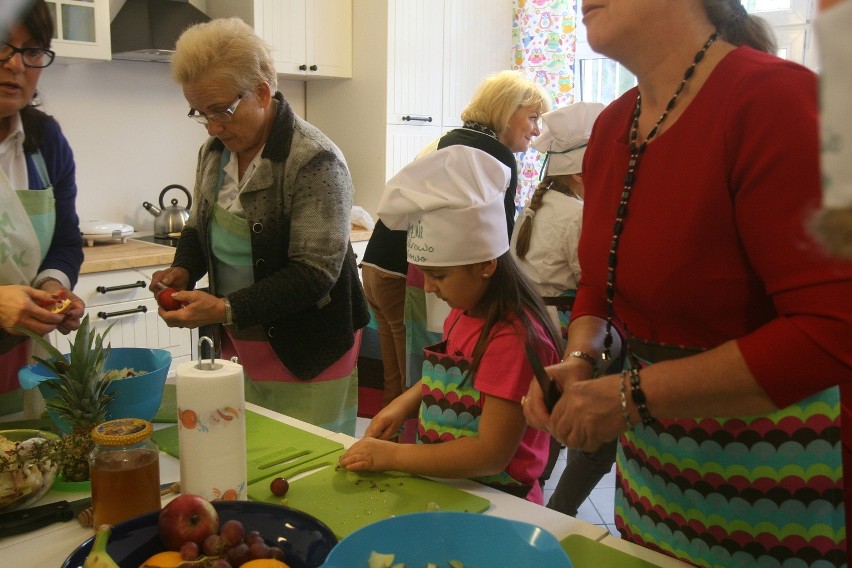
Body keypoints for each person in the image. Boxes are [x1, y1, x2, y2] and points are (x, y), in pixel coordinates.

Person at [523, 1, 852, 566]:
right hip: (656, 468)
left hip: (775, 472)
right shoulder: (612, 127)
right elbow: (599, 288)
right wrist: (578, 360)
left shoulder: (778, 100)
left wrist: (629, 395)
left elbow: (833, 330)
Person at [150, 18, 370, 435]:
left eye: (222, 110)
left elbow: (315, 274)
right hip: (240, 338)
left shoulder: (314, 160)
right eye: (201, 112)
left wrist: (226, 308)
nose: (213, 126)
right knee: (249, 451)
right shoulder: (215, 152)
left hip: (308, 344)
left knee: (306, 459)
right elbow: (199, 226)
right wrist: (182, 269)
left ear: (263, 93)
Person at [339, 145, 561, 504]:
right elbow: (453, 377)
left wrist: (393, 457)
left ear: (486, 265)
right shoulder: (463, 310)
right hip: (455, 485)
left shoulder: (512, 339)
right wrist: (403, 404)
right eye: (424, 274)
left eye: (438, 275)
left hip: (500, 498)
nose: (428, 287)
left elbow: (491, 453)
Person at [404, 71, 552, 403]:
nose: (537, 129)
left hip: (417, 263)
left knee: (426, 367)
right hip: (439, 266)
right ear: (505, 111)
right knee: (441, 367)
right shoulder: (492, 153)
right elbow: (499, 234)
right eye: (532, 117)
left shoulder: (456, 139)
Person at [510, 101, 618, 516]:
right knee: (587, 440)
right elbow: (592, 279)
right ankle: (557, 513)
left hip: (534, 324)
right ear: (579, 173)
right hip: (567, 331)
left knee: (547, 428)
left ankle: (533, 503)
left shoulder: (535, 209)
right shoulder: (577, 216)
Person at [0, 0, 84, 418]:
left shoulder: (45, 141)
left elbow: (66, 239)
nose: (15, 64)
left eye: (31, 51)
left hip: (21, 367)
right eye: (2, 44)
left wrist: (53, 288)